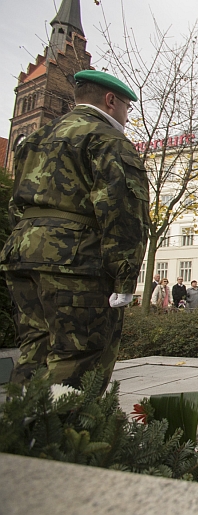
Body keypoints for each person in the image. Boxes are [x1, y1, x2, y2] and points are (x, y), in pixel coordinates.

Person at [0, 70, 149, 390]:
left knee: (34, 351)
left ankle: (20, 431)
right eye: (127, 106)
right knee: (78, 359)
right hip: (76, 263)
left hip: (23, 256)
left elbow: (16, 205)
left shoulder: (34, 139)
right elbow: (123, 213)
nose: (126, 114)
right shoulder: (108, 140)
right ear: (111, 101)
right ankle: (63, 436)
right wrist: (125, 278)